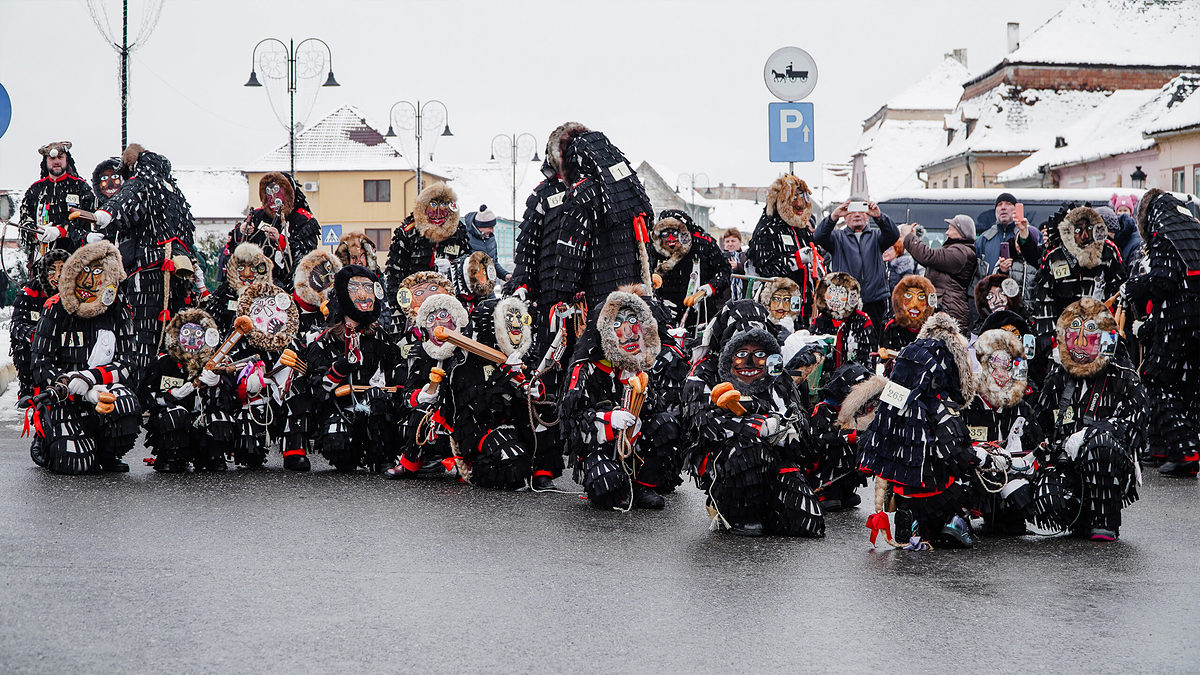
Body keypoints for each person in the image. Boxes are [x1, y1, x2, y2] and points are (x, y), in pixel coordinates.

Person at [70, 143, 209, 379]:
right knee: (169, 333)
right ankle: (167, 381)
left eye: (117, 175)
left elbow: (124, 201)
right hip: (172, 274)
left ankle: (142, 384)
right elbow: (186, 233)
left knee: (141, 336)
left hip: (145, 276)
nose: (113, 182)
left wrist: (101, 216)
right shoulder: (173, 190)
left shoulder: (142, 182)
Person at [859, 313, 979, 549]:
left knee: (905, 464)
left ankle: (909, 520)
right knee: (954, 459)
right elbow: (959, 390)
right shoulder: (947, 352)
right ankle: (950, 522)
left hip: (899, 418)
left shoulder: (909, 349)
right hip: (930, 419)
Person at [690, 326, 824, 537]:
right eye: (742, 354)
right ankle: (735, 511)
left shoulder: (779, 382)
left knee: (808, 523)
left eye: (759, 354)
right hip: (729, 463)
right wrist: (755, 426)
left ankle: (769, 511)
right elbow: (705, 425)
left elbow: (801, 425)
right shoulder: (706, 377)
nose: (750, 362)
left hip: (778, 461)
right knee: (750, 451)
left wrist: (786, 429)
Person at [1033, 299, 1147, 540]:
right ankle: (1076, 515)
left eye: (1090, 330)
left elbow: (1135, 427)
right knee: (1045, 493)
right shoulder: (1057, 377)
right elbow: (1039, 426)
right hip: (1067, 464)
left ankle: (1104, 521)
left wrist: (1088, 436)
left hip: (1110, 465)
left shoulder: (1123, 376)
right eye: (1075, 329)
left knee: (1101, 446)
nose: (1081, 339)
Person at [27, 241, 141, 474]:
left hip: (101, 388)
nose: (89, 282)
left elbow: (128, 362)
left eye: (98, 273)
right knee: (75, 462)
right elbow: (40, 364)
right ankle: (47, 439)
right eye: (85, 273)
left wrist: (90, 380)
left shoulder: (117, 309)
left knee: (125, 404)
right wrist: (67, 384)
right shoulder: (54, 308)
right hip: (63, 396)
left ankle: (108, 452)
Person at [559, 290, 677, 510]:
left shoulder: (638, 362)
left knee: (666, 423)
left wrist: (642, 397)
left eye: (633, 321)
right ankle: (616, 481)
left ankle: (641, 485)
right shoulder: (585, 367)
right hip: (599, 445)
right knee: (606, 487)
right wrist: (607, 419)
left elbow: (655, 409)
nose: (628, 331)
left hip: (635, 439)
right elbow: (571, 421)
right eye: (618, 324)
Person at [302, 266, 405, 473]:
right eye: (355, 287)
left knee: (378, 403)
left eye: (367, 287)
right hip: (339, 407)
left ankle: (382, 455)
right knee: (339, 446)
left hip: (375, 403)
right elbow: (317, 390)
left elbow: (394, 373)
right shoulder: (324, 341)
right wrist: (340, 368)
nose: (363, 294)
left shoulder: (381, 337)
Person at [1127, 188, 1200, 477]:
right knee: (1188, 385)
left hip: (1177, 323)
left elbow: (1163, 281)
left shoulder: (1163, 237)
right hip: (1195, 323)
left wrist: (1135, 286)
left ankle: (1184, 451)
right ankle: (1167, 448)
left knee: (1155, 379)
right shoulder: (1194, 231)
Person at [449, 296, 541, 489]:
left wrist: (531, 390)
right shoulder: (466, 362)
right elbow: (478, 408)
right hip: (483, 429)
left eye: (518, 318)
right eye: (508, 319)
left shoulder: (521, 355)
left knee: (546, 424)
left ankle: (542, 474)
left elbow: (530, 398)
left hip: (514, 422)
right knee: (511, 460)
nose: (515, 324)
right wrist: (505, 377)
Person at [961, 329, 1043, 535]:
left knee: (1019, 504)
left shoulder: (1021, 407)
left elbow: (1035, 446)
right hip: (973, 473)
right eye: (993, 367)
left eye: (1007, 367)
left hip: (1011, 473)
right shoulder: (967, 405)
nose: (1001, 375)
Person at [140, 309, 227, 473]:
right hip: (176, 420)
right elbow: (149, 397)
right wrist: (173, 395)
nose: (193, 339)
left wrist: (216, 384)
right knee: (174, 416)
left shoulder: (215, 362)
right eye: (187, 333)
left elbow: (230, 401)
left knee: (219, 419)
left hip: (201, 416)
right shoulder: (164, 362)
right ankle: (172, 456)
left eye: (198, 334)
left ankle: (211, 456)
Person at [1030, 205, 1126, 340]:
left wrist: (1108, 325)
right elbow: (1043, 298)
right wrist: (1051, 338)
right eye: (1078, 230)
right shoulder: (1055, 256)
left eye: (1089, 228)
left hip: (1098, 330)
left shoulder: (1108, 251)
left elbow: (1119, 290)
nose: (1085, 235)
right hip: (1063, 332)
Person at [384, 182, 471, 325]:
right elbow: (395, 274)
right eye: (433, 205)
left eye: (443, 205)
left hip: (449, 304)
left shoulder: (458, 231)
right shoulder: (407, 233)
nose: (438, 213)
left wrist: (452, 267)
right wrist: (402, 308)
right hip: (414, 305)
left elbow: (467, 267)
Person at [220, 172, 320, 291]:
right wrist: (242, 232)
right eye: (268, 194)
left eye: (278, 193)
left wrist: (282, 242)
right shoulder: (257, 216)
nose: (273, 199)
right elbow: (233, 248)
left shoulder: (303, 220)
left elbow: (307, 255)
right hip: (253, 282)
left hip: (288, 285)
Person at [813, 199, 900, 328]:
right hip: (845, 300)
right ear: (845, 217)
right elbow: (819, 236)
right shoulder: (837, 238)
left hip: (874, 300)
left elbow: (893, 234)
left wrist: (879, 217)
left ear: (867, 216)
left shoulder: (876, 236)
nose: (857, 215)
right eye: (852, 212)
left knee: (874, 339)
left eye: (861, 211)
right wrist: (834, 216)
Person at [746, 175, 820, 324]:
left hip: (803, 303)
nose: (800, 203)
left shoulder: (801, 229)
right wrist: (794, 260)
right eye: (794, 197)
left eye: (802, 196)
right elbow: (766, 268)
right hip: (778, 307)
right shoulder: (767, 229)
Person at [647, 209, 729, 326]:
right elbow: (643, 272)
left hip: (701, 310)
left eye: (675, 233)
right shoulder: (655, 246)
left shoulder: (704, 243)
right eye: (666, 233)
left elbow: (724, 271)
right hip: (665, 310)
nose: (671, 239)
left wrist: (708, 288)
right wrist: (653, 283)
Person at [19, 141, 95, 265]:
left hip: (75, 257)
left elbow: (88, 218)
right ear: (46, 161)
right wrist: (36, 233)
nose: (56, 161)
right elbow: (24, 219)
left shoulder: (80, 187)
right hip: (42, 258)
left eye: (60, 157)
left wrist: (61, 230)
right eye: (52, 158)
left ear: (67, 160)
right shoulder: (35, 189)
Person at [901, 215, 976, 332]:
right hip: (945, 308)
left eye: (950, 229)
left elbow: (927, 256)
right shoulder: (956, 250)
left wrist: (909, 237)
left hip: (950, 311)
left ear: (961, 232)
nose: (946, 233)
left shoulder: (960, 253)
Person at [10, 249, 68, 399]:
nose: (58, 275)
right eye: (52, 270)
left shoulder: (74, 294)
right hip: (33, 358)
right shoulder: (29, 293)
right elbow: (16, 325)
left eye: (63, 269)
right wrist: (39, 335)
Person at [975, 193, 1042, 301]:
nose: (1003, 208)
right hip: (993, 301)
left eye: (1008, 204)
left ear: (1016, 209)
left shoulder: (1030, 234)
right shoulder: (983, 239)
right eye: (999, 205)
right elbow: (977, 275)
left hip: (1026, 299)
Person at [809, 272, 875, 370]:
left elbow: (869, 356)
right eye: (831, 292)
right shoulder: (819, 321)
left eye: (841, 293)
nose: (836, 299)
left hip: (854, 378)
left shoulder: (862, 321)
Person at [878, 274, 938, 359]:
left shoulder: (935, 328)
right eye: (908, 296)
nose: (914, 304)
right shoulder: (892, 326)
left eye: (921, 297)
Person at [464, 205, 511, 281]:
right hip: (472, 288)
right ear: (480, 226)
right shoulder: (465, 238)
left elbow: (493, 264)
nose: (492, 231)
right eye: (490, 227)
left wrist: (505, 275)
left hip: (488, 287)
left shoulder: (491, 239)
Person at [721, 227, 748, 298]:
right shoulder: (719, 258)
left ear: (740, 242)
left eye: (733, 241)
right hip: (724, 301)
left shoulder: (746, 257)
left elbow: (750, 274)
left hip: (743, 299)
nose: (730, 244)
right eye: (727, 241)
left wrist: (737, 267)